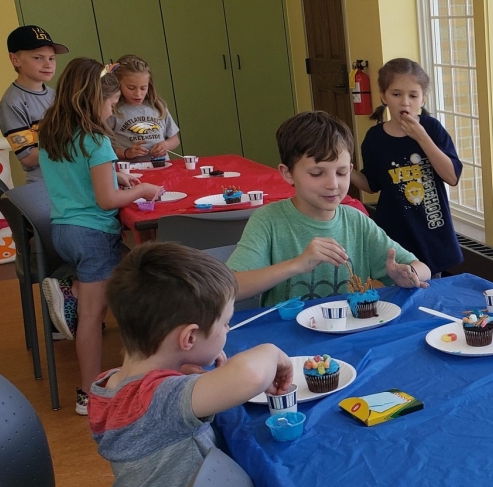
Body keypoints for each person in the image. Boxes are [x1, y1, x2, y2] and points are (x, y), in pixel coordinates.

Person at [90, 242, 292, 487]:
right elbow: (250, 374)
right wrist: (272, 352)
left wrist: (180, 372)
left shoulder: (111, 385)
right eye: (226, 324)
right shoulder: (161, 402)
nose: (228, 330)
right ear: (188, 338)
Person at [38, 58, 161, 415]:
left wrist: (115, 175)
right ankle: (88, 394)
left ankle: (72, 289)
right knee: (92, 317)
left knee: (134, 274)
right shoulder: (96, 140)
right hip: (93, 234)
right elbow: (106, 201)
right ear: (93, 100)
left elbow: (74, 173)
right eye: (110, 104)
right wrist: (142, 191)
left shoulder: (52, 133)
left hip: (63, 231)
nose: (111, 112)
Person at [227, 110, 431, 307]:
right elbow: (227, 288)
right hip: (287, 331)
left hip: (350, 329)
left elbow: (423, 269)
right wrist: (297, 264)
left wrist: (407, 274)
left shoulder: (356, 221)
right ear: (288, 173)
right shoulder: (268, 220)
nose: (332, 184)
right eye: (317, 173)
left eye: (341, 173)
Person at [350, 58, 463, 277]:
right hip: (395, 234)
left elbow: (452, 176)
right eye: (396, 94)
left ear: (423, 99)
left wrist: (422, 137)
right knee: (399, 286)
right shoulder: (375, 137)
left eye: (413, 96)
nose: (405, 102)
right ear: (383, 96)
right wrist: (345, 170)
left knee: (431, 288)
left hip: (431, 231)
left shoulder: (431, 128)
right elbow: (371, 185)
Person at [0, 25, 68, 183]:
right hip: (45, 184)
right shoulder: (11, 103)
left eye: (52, 58)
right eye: (38, 58)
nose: (48, 64)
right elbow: (28, 157)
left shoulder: (56, 95)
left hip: (67, 178)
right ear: (15, 59)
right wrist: (72, 146)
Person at [107, 54, 181, 163]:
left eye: (143, 88)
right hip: (130, 170)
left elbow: (175, 139)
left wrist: (166, 145)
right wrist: (127, 153)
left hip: (161, 167)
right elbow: (104, 148)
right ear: (118, 84)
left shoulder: (158, 106)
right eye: (131, 88)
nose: (138, 94)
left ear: (149, 85)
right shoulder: (113, 110)